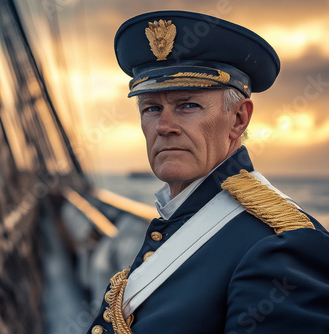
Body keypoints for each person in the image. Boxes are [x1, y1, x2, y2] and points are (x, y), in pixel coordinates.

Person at [87, 10, 329, 334]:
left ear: (239, 119)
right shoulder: (180, 220)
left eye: (188, 105)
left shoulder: (280, 247)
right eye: (152, 108)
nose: (164, 126)